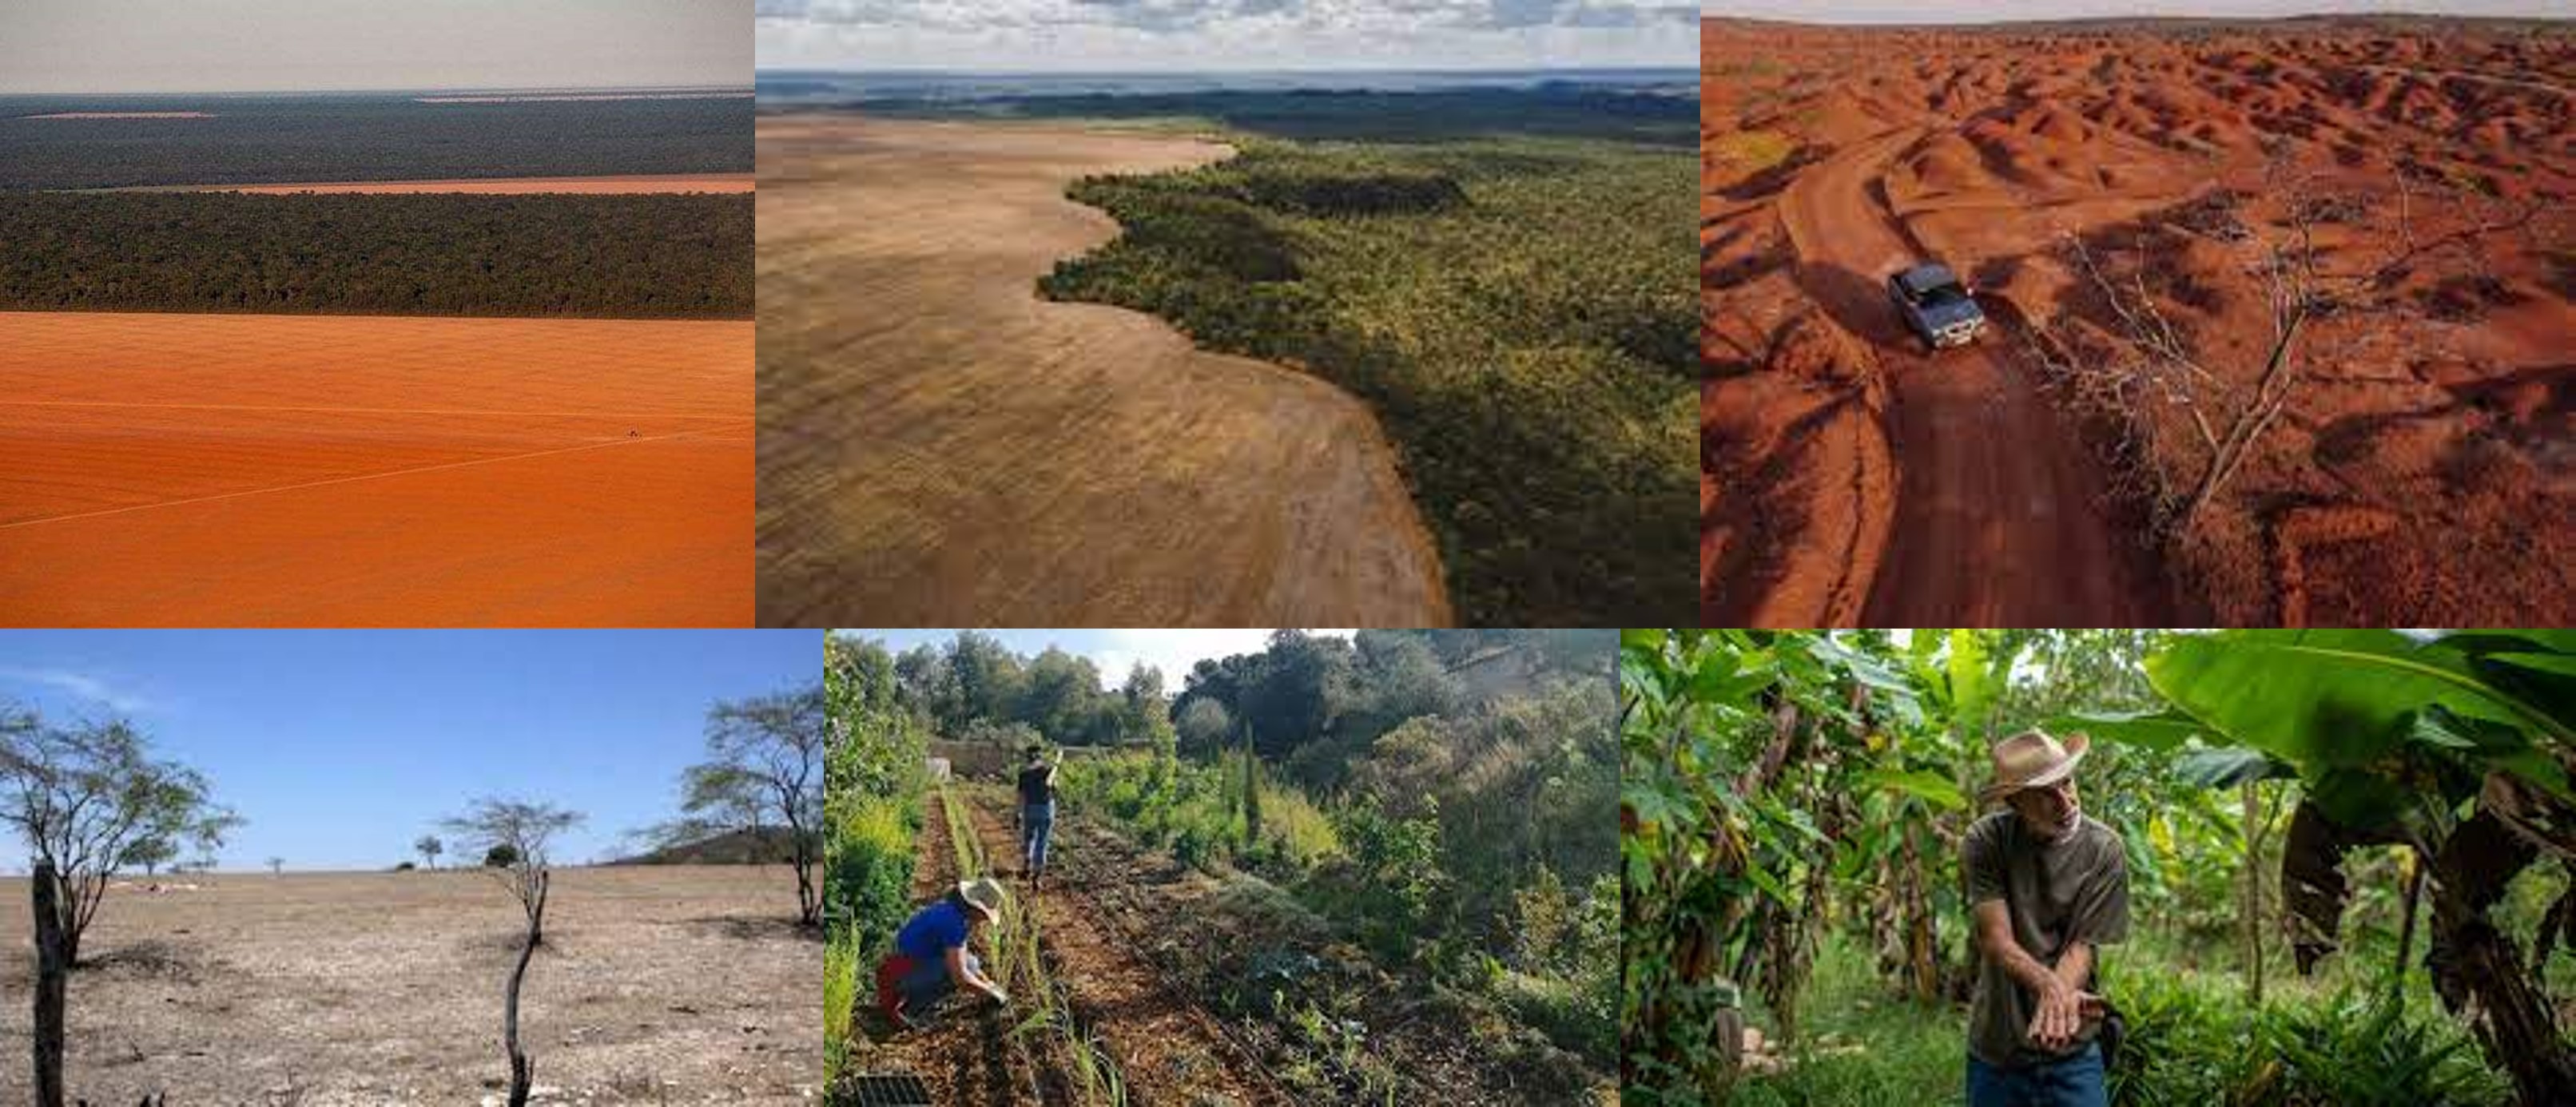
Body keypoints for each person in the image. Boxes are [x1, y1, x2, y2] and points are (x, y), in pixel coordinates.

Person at [1962, 729, 2128, 1107]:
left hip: (2073, 1047)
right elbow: (1996, 939)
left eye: (2067, 783)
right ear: (2015, 803)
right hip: (1997, 1048)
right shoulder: (1986, 841)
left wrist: (2055, 1001)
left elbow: (2081, 946)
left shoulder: (2105, 849)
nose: (2065, 802)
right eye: (2045, 794)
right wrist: (2052, 988)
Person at [874, 878, 1009, 1027]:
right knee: (951, 972)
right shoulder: (953, 924)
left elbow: (963, 956)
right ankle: (912, 1011)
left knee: (971, 963)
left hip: (904, 968)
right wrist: (990, 994)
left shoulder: (951, 911)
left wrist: (987, 982)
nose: (984, 920)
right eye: (985, 915)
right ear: (976, 908)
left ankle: (918, 1004)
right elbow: (960, 978)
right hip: (897, 977)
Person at [1017, 743, 1063, 888]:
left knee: (1028, 838)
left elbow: (1020, 796)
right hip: (1046, 810)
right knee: (1042, 842)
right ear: (1040, 756)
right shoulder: (1049, 771)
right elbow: (1055, 788)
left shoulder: (1023, 774)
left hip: (1029, 809)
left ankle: (1026, 866)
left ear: (1027, 757)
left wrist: (1017, 813)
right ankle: (1036, 877)